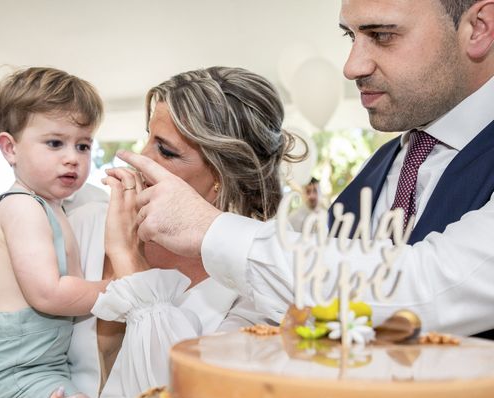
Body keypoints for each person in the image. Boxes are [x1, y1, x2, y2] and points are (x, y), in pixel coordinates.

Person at [0, 66, 302, 398]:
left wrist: (127, 258)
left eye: (166, 150)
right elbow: (8, 342)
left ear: (221, 175)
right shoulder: (79, 212)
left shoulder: (256, 283)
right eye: (148, 138)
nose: (139, 158)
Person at [118, 0, 494, 338]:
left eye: (382, 35)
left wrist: (211, 230)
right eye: (351, 36)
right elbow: (312, 298)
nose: (352, 67)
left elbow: (423, 288)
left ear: (479, 27)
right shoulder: (384, 167)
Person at [0, 67, 113, 398]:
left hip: (38, 367)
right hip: (15, 371)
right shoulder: (22, 208)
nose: (73, 157)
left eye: (83, 145)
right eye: (54, 143)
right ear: (10, 149)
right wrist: (117, 289)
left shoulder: (52, 207)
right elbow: (49, 294)